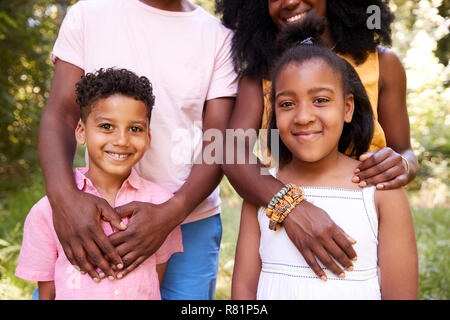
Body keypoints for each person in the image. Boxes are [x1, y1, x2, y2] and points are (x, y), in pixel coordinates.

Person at [38, 0, 237, 299]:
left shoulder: (219, 37)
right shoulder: (89, 14)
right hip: (92, 216)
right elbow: (61, 114)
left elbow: (218, 141)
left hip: (190, 218)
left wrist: (171, 213)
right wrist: (65, 199)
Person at [216, 0, 418, 279]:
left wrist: (403, 166)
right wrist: (292, 208)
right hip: (280, 233)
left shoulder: (383, 64)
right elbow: (231, 151)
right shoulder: (260, 76)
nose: (288, 1)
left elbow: (404, 150)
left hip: (369, 225)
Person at [16, 68, 183, 300]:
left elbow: (156, 279)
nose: (122, 140)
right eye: (106, 126)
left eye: (135, 129)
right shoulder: (47, 211)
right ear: (81, 132)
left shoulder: (161, 207)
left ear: (148, 137)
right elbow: (46, 292)